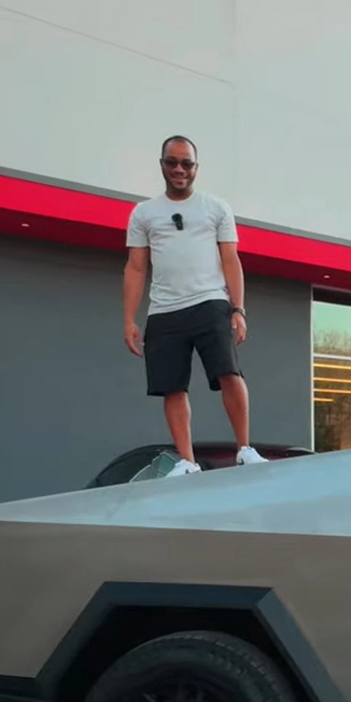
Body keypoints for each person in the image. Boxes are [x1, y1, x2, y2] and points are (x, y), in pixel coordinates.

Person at [122, 136, 263, 477]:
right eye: (172, 162)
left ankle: (245, 449)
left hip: (210, 303)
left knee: (229, 373)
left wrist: (238, 309)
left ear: (196, 167)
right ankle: (187, 462)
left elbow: (230, 259)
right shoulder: (143, 213)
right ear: (162, 165)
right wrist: (129, 318)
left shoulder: (216, 207)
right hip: (164, 311)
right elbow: (136, 268)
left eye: (186, 163)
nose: (179, 169)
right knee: (172, 387)